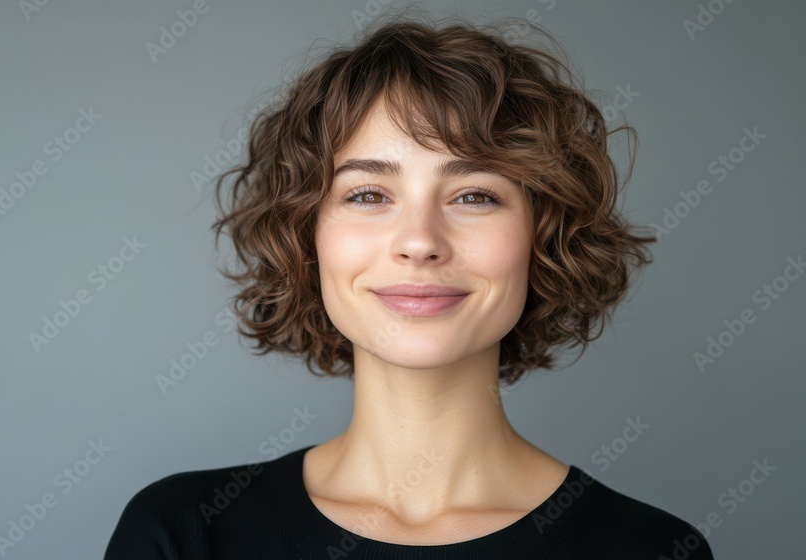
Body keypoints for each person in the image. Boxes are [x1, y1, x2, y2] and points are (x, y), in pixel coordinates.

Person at [104, 9, 716, 559]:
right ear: (305, 236)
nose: (420, 239)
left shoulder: (652, 548)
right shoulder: (185, 532)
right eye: (368, 194)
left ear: (544, 235)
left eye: (475, 195)